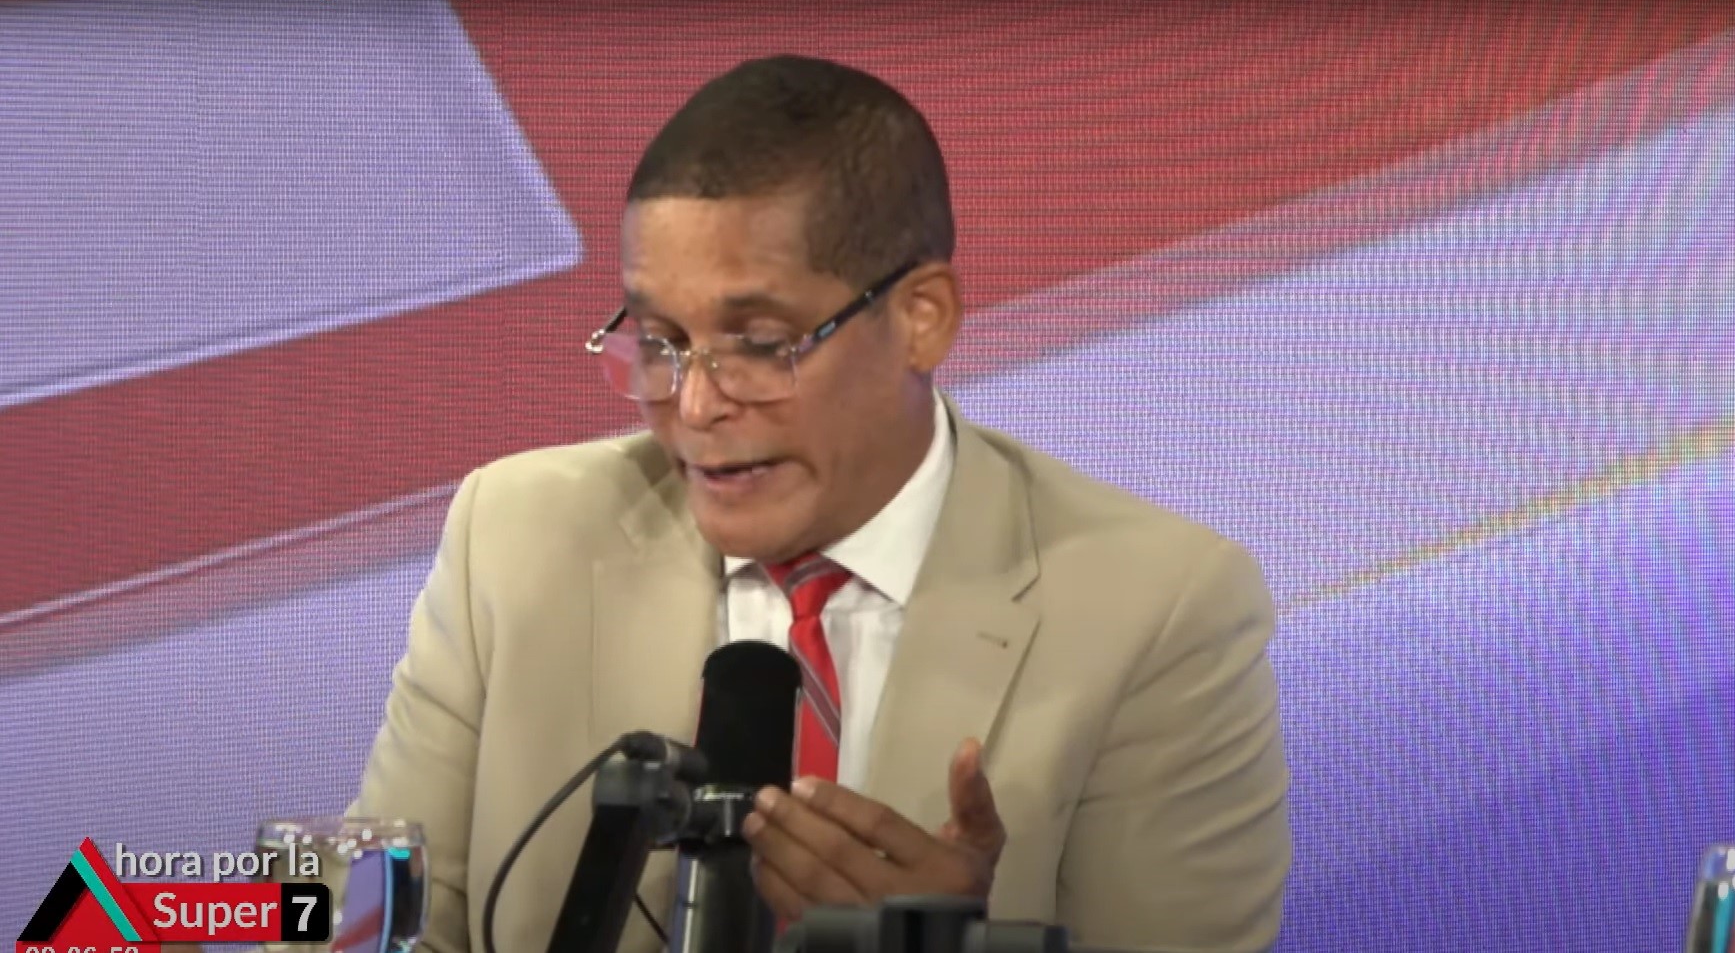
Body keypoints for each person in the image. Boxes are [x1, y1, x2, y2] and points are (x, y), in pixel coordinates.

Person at [348, 54, 1291, 953]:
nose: (695, 405)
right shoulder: (515, 533)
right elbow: (347, 916)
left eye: (760, 344)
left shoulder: (1159, 609)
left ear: (921, 318)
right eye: (660, 341)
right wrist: (282, 906)